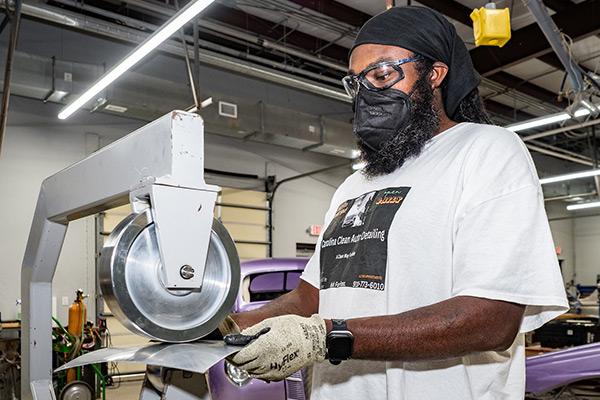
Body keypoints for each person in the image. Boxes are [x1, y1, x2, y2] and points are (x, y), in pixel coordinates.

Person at [221, 6, 568, 399]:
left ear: (435, 74)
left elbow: (492, 319)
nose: (367, 93)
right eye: (357, 82)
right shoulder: (354, 184)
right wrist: (227, 325)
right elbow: (310, 297)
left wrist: (327, 338)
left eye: (382, 75)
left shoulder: (485, 151)